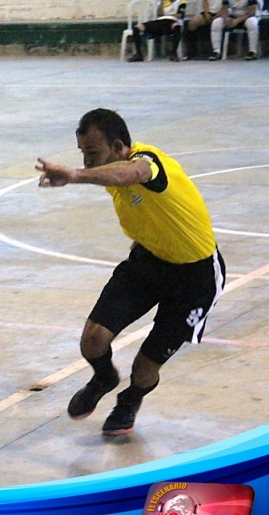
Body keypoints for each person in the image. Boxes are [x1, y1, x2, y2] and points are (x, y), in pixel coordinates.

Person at [35, 108, 226, 436]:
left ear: (120, 145)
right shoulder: (111, 171)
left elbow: (134, 173)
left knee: (144, 367)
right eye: (83, 154)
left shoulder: (149, 162)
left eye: (92, 153)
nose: (88, 161)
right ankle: (104, 377)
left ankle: (131, 399)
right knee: (92, 340)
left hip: (195, 278)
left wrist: (76, 175)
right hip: (149, 261)